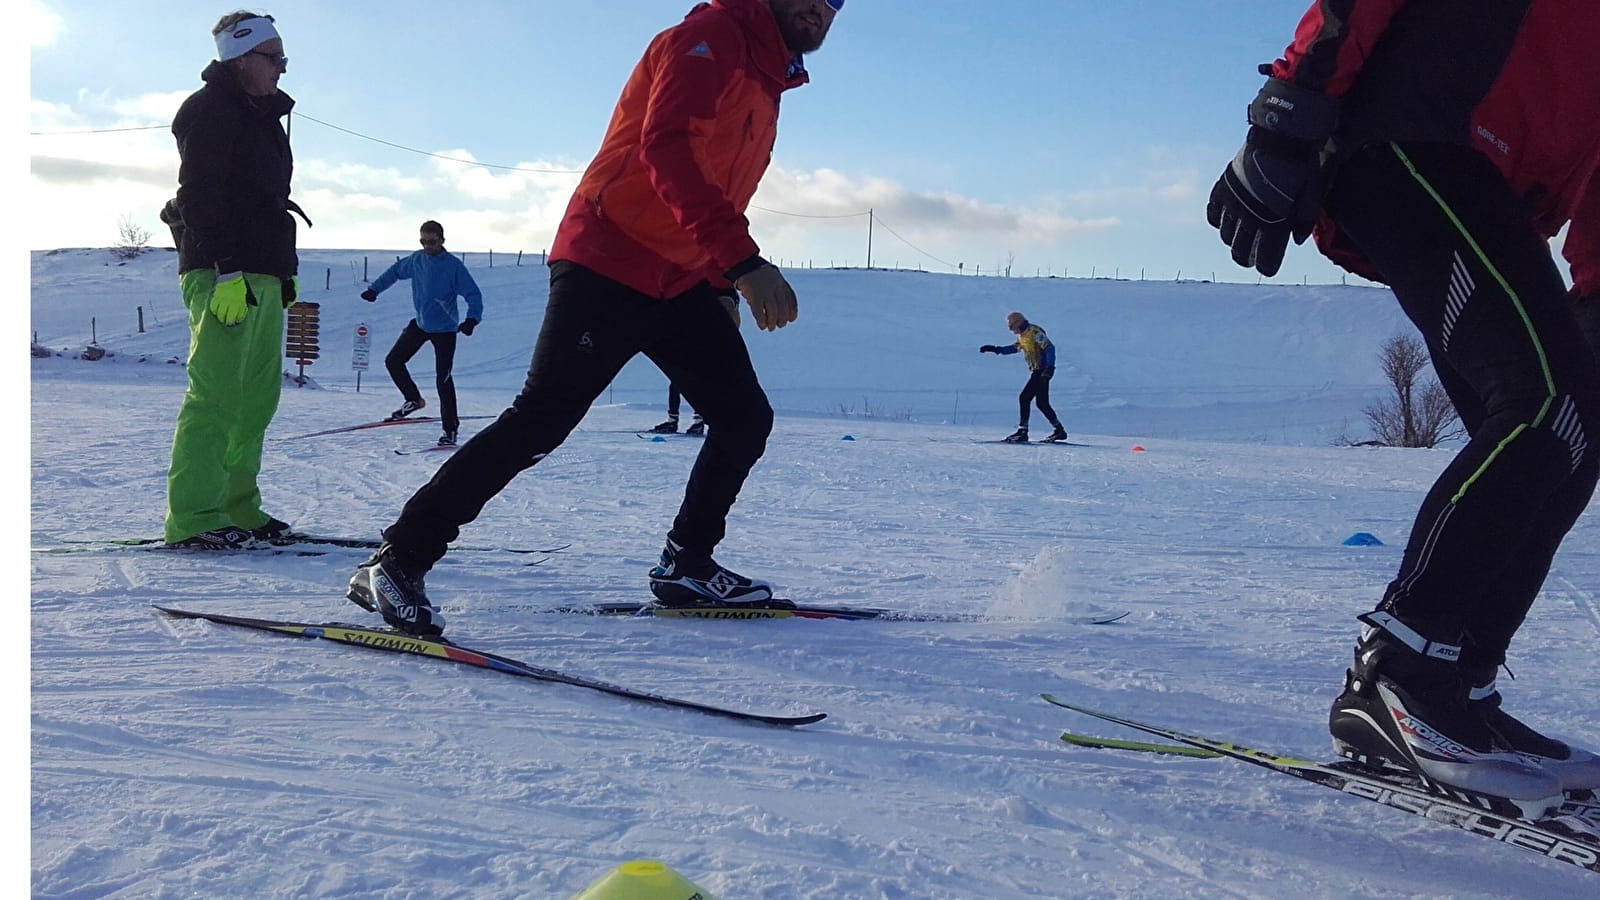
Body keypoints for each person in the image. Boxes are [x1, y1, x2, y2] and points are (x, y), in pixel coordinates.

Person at [1205, 0, 1600, 815]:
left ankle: (1454, 688)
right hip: (1415, 136)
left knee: (1573, 431)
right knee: (1547, 403)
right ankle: (1401, 675)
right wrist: (1290, 109)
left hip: (1493, 189)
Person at [347, 0, 842, 637]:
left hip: (682, 277)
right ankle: (398, 560)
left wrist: (718, 281)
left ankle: (686, 565)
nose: (822, 7)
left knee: (743, 416)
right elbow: (666, 151)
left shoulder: (770, 79)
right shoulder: (711, 36)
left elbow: (724, 187)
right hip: (609, 256)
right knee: (542, 420)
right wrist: (743, 263)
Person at [158, 10, 306, 550]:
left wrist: (283, 273)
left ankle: (238, 507)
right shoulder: (208, 112)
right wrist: (225, 268)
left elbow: (267, 204)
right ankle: (193, 515)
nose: (282, 70)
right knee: (216, 396)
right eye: (275, 58)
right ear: (242, 57)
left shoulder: (263, 118)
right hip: (223, 273)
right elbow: (198, 195)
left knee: (256, 399)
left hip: (262, 273)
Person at [361, 220, 483, 447]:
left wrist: (472, 319)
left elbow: (473, 294)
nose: (428, 246)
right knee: (393, 361)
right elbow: (394, 272)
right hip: (421, 324)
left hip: (445, 330)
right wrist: (374, 289)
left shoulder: (453, 266)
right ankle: (413, 399)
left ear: (442, 241)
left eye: (432, 242)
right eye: (424, 242)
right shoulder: (416, 260)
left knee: (443, 380)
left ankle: (450, 430)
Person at [979, 311, 1068, 443]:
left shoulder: (1034, 332)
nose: (1010, 329)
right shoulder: (1023, 336)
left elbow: (1049, 348)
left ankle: (1023, 431)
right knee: (1042, 403)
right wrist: (996, 349)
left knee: (1024, 398)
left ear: (1018, 322)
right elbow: (1015, 348)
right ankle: (1059, 430)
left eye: (1011, 325)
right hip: (1038, 371)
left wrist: (1049, 368)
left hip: (1042, 371)